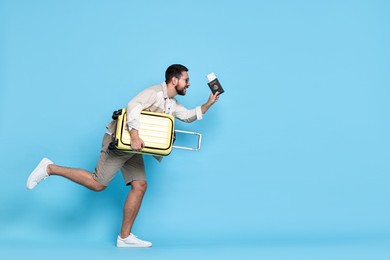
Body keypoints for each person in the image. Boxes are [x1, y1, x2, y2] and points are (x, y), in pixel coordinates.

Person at [26, 64, 220, 248]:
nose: (189, 83)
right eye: (186, 79)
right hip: (121, 142)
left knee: (140, 185)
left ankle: (124, 237)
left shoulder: (171, 102)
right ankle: (49, 168)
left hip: (134, 147)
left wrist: (208, 104)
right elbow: (133, 105)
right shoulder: (154, 92)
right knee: (97, 183)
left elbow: (187, 116)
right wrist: (135, 135)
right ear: (174, 79)